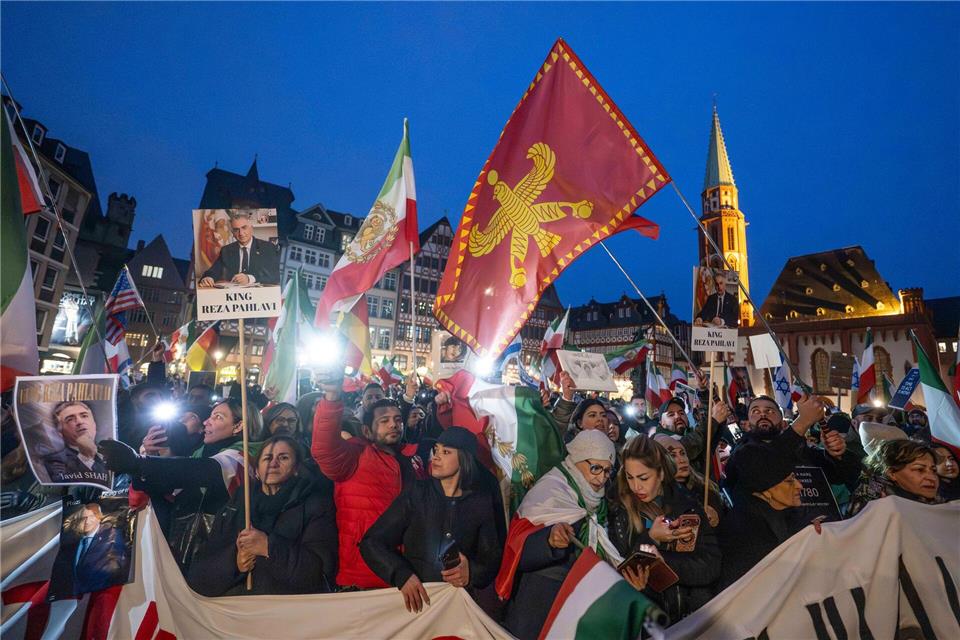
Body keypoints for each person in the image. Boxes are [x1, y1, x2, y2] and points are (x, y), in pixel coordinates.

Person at [498, 430, 639, 640]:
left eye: (607, 471)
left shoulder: (602, 504)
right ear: (575, 461)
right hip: (542, 605)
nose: (601, 478)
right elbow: (517, 551)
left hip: (581, 606)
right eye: (595, 468)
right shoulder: (550, 491)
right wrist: (548, 540)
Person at [99, 398, 259, 573]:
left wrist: (140, 463)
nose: (207, 422)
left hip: (218, 556)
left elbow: (201, 472)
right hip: (186, 548)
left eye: (218, 417)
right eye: (209, 416)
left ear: (238, 426)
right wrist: (148, 459)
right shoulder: (201, 453)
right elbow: (172, 489)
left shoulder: (244, 456)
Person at [360, 427, 503, 613]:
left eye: (446, 452)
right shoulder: (417, 493)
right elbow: (372, 542)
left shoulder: (481, 502)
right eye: (436, 450)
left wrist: (472, 573)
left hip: (458, 607)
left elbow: (492, 557)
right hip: (417, 605)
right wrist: (401, 575)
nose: (435, 457)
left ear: (465, 459)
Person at [188, 435, 337, 596]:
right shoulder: (235, 505)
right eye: (267, 458)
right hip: (237, 609)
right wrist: (235, 562)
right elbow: (200, 574)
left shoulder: (314, 505)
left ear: (296, 469)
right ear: (257, 470)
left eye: (283, 458)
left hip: (286, 609)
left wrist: (268, 547)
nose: (273, 463)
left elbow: (319, 573)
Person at [311, 382, 423, 590]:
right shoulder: (355, 455)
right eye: (384, 421)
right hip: (362, 578)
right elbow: (324, 449)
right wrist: (332, 398)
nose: (393, 425)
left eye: (398, 420)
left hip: (409, 577)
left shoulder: (414, 461)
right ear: (367, 431)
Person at [609, 435, 721, 621]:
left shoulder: (689, 505)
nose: (636, 486)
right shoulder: (619, 510)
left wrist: (665, 561)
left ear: (661, 474)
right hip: (650, 620)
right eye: (630, 477)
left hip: (693, 618)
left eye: (644, 478)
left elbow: (711, 565)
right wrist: (651, 538)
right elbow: (620, 565)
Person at [724, 395, 860, 495]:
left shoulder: (802, 450)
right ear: (747, 422)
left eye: (770, 411)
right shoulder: (741, 453)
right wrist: (803, 421)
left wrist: (836, 454)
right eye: (755, 411)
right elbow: (767, 465)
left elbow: (845, 475)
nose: (763, 415)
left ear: (783, 422)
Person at [717, 438, 805, 589]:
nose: (800, 486)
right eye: (789, 481)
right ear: (764, 489)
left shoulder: (791, 516)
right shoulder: (743, 532)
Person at [49, 503, 130, 596]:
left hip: (101, 594)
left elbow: (114, 570)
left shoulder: (112, 536)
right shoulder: (73, 544)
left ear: (98, 517)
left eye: (91, 516)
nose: (87, 521)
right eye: (83, 518)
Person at [847, 439, 942, 518]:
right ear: (892, 473)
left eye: (933, 470)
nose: (932, 477)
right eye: (920, 469)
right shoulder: (872, 505)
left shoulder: (937, 500)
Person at [653, 433, 724, 525]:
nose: (682, 460)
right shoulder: (661, 500)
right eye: (673, 455)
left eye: (683, 453)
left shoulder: (704, 486)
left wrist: (716, 514)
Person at [198, 210, 280, 287]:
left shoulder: (267, 247)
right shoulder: (226, 250)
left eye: (244, 228)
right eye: (236, 230)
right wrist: (209, 277)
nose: (241, 233)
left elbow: (275, 274)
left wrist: (249, 278)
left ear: (251, 228)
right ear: (232, 233)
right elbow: (214, 270)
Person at [41, 401, 109, 483]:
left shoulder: (111, 451)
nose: (80, 422)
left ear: (94, 424)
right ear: (60, 432)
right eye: (70, 419)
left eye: (84, 416)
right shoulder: (54, 461)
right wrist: (86, 457)